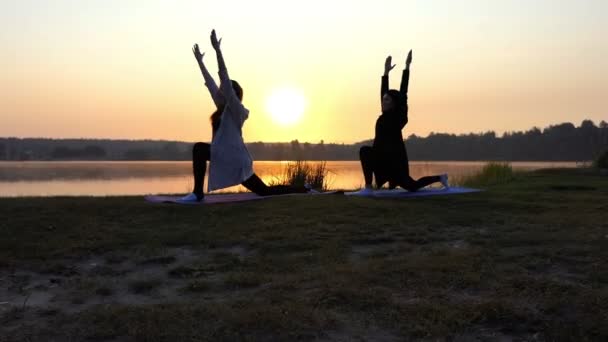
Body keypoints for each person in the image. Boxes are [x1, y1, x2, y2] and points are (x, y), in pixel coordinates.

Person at [179, 30, 309, 202]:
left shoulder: (237, 110)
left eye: (225, 89)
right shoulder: (222, 108)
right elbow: (211, 84)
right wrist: (200, 62)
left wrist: (218, 51)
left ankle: (303, 188)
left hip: (235, 158)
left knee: (263, 191)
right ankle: (197, 193)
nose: (221, 89)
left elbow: (223, 77)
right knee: (263, 190)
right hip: (224, 154)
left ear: (232, 93)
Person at [357, 50, 448, 195]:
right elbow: (383, 91)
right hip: (380, 158)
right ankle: (368, 188)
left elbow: (403, 92)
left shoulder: (398, 117)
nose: (383, 101)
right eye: (383, 99)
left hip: (395, 163)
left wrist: (407, 67)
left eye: (387, 100)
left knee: (412, 186)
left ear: (394, 103)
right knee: (364, 151)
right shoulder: (383, 115)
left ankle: (441, 177)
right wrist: (386, 72)